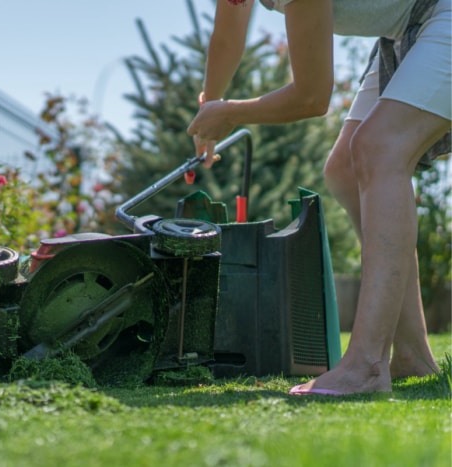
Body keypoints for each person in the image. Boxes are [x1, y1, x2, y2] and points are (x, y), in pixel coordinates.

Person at [187, 0, 450, 395]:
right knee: (344, 168)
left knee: (380, 148)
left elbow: (311, 97)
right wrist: (210, 110)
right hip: (407, 28)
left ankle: (366, 366)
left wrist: (231, 113)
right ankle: (411, 354)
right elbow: (227, 37)